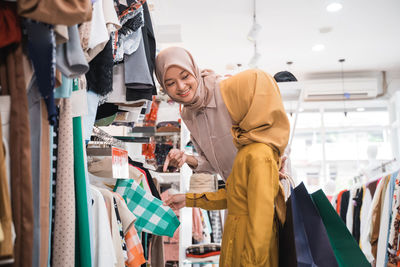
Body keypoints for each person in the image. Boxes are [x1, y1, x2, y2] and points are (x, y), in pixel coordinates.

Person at [164, 68, 290, 266]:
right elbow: (235, 196)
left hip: (247, 251)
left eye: (234, 100)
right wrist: (188, 199)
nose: (230, 109)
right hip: (237, 243)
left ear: (250, 103)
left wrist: (251, 263)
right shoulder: (249, 149)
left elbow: (261, 225)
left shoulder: (259, 154)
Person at [155, 46, 237, 181]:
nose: (181, 86)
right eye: (170, 83)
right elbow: (215, 165)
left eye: (185, 76)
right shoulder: (188, 114)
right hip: (237, 190)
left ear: (194, 71)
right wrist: (186, 158)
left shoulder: (225, 90)